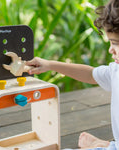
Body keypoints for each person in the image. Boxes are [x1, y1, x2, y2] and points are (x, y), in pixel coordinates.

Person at [25, 0, 119, 149]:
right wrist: (50, 65)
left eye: (115, 43)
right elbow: (90, 74)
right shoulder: (116, 70)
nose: (110, 50)